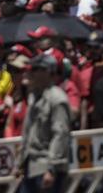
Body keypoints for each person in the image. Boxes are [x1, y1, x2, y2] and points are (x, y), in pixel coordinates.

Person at [16, 54, 71, 193]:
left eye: (36, 69)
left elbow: (60, 134)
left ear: (47, 72)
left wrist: (51, 169)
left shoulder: (57, 99)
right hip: (31, 165)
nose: (31, 73)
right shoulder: (33, 97)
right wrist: (20, 162)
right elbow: (28, 132)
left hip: (46, 166)